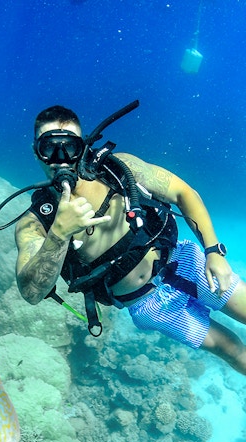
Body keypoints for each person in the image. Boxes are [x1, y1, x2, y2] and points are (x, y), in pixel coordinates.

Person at [15, 105, 246, 374]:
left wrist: (213, 251)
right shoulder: (35, 222)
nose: (61, 159)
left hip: (183, 262)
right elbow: (31, 293)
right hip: (146, 303)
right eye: (49, 148)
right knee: (228, 348)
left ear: (84, 145)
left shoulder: (120, 168)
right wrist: (58, 233)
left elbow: (183, 193)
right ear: (36, 152)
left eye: (70, 147)